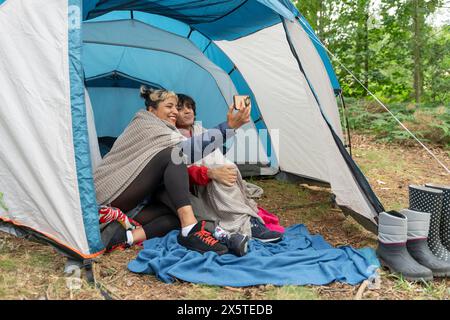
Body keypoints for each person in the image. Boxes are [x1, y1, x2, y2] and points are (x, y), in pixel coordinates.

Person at [94, 87, 251, 254]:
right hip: (108, 197)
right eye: (169, 106)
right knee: (174, 156)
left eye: (176, 107)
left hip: (134, 205)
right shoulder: (144, 124)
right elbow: (187, 151)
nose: (175, 111)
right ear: (151, 109)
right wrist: (228, 127)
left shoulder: (168, 131)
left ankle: (125, 238)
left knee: (176, 215)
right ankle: (195, 230)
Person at [175, 94, 283, 249]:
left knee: (225, 167)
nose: (187, 111)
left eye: (190, 107)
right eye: (180, 108)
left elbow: (216, 157)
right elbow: (177, 171)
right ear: (171, 113)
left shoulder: (200, 130)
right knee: (219, 174)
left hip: (214, 179)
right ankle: (245, 225)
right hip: (194, 188)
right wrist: (210, 173)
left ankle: (245, 219)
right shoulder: (173, 136)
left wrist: (221, 169)